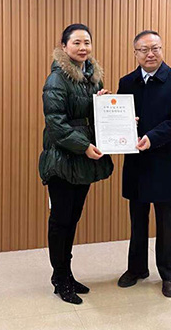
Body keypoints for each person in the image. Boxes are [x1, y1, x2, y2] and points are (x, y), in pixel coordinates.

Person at [38, 23, 114, 304]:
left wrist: (104, 105)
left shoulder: (92, 78)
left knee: (72, 219)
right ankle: (59, 279)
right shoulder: (56, 80)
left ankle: (67, 274)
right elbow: (56, 124)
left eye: (87, 42)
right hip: (62, 160)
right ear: (64, 46)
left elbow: (89, 116)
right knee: (60, 221)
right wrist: (83, 146)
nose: (83, 48)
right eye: (77, 43)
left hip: (83, 160)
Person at [116, 30, 171, 298]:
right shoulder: (127, 82)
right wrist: (106, 104)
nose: (150, 54)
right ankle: (137, 268)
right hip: (136, 162)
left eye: (155, 48)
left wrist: (152, 137)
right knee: (137, 220)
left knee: (167, 221)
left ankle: (169, 275)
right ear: (135, 53)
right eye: (144, 49)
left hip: (164, 162)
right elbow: (118, 117)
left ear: (162, 49)